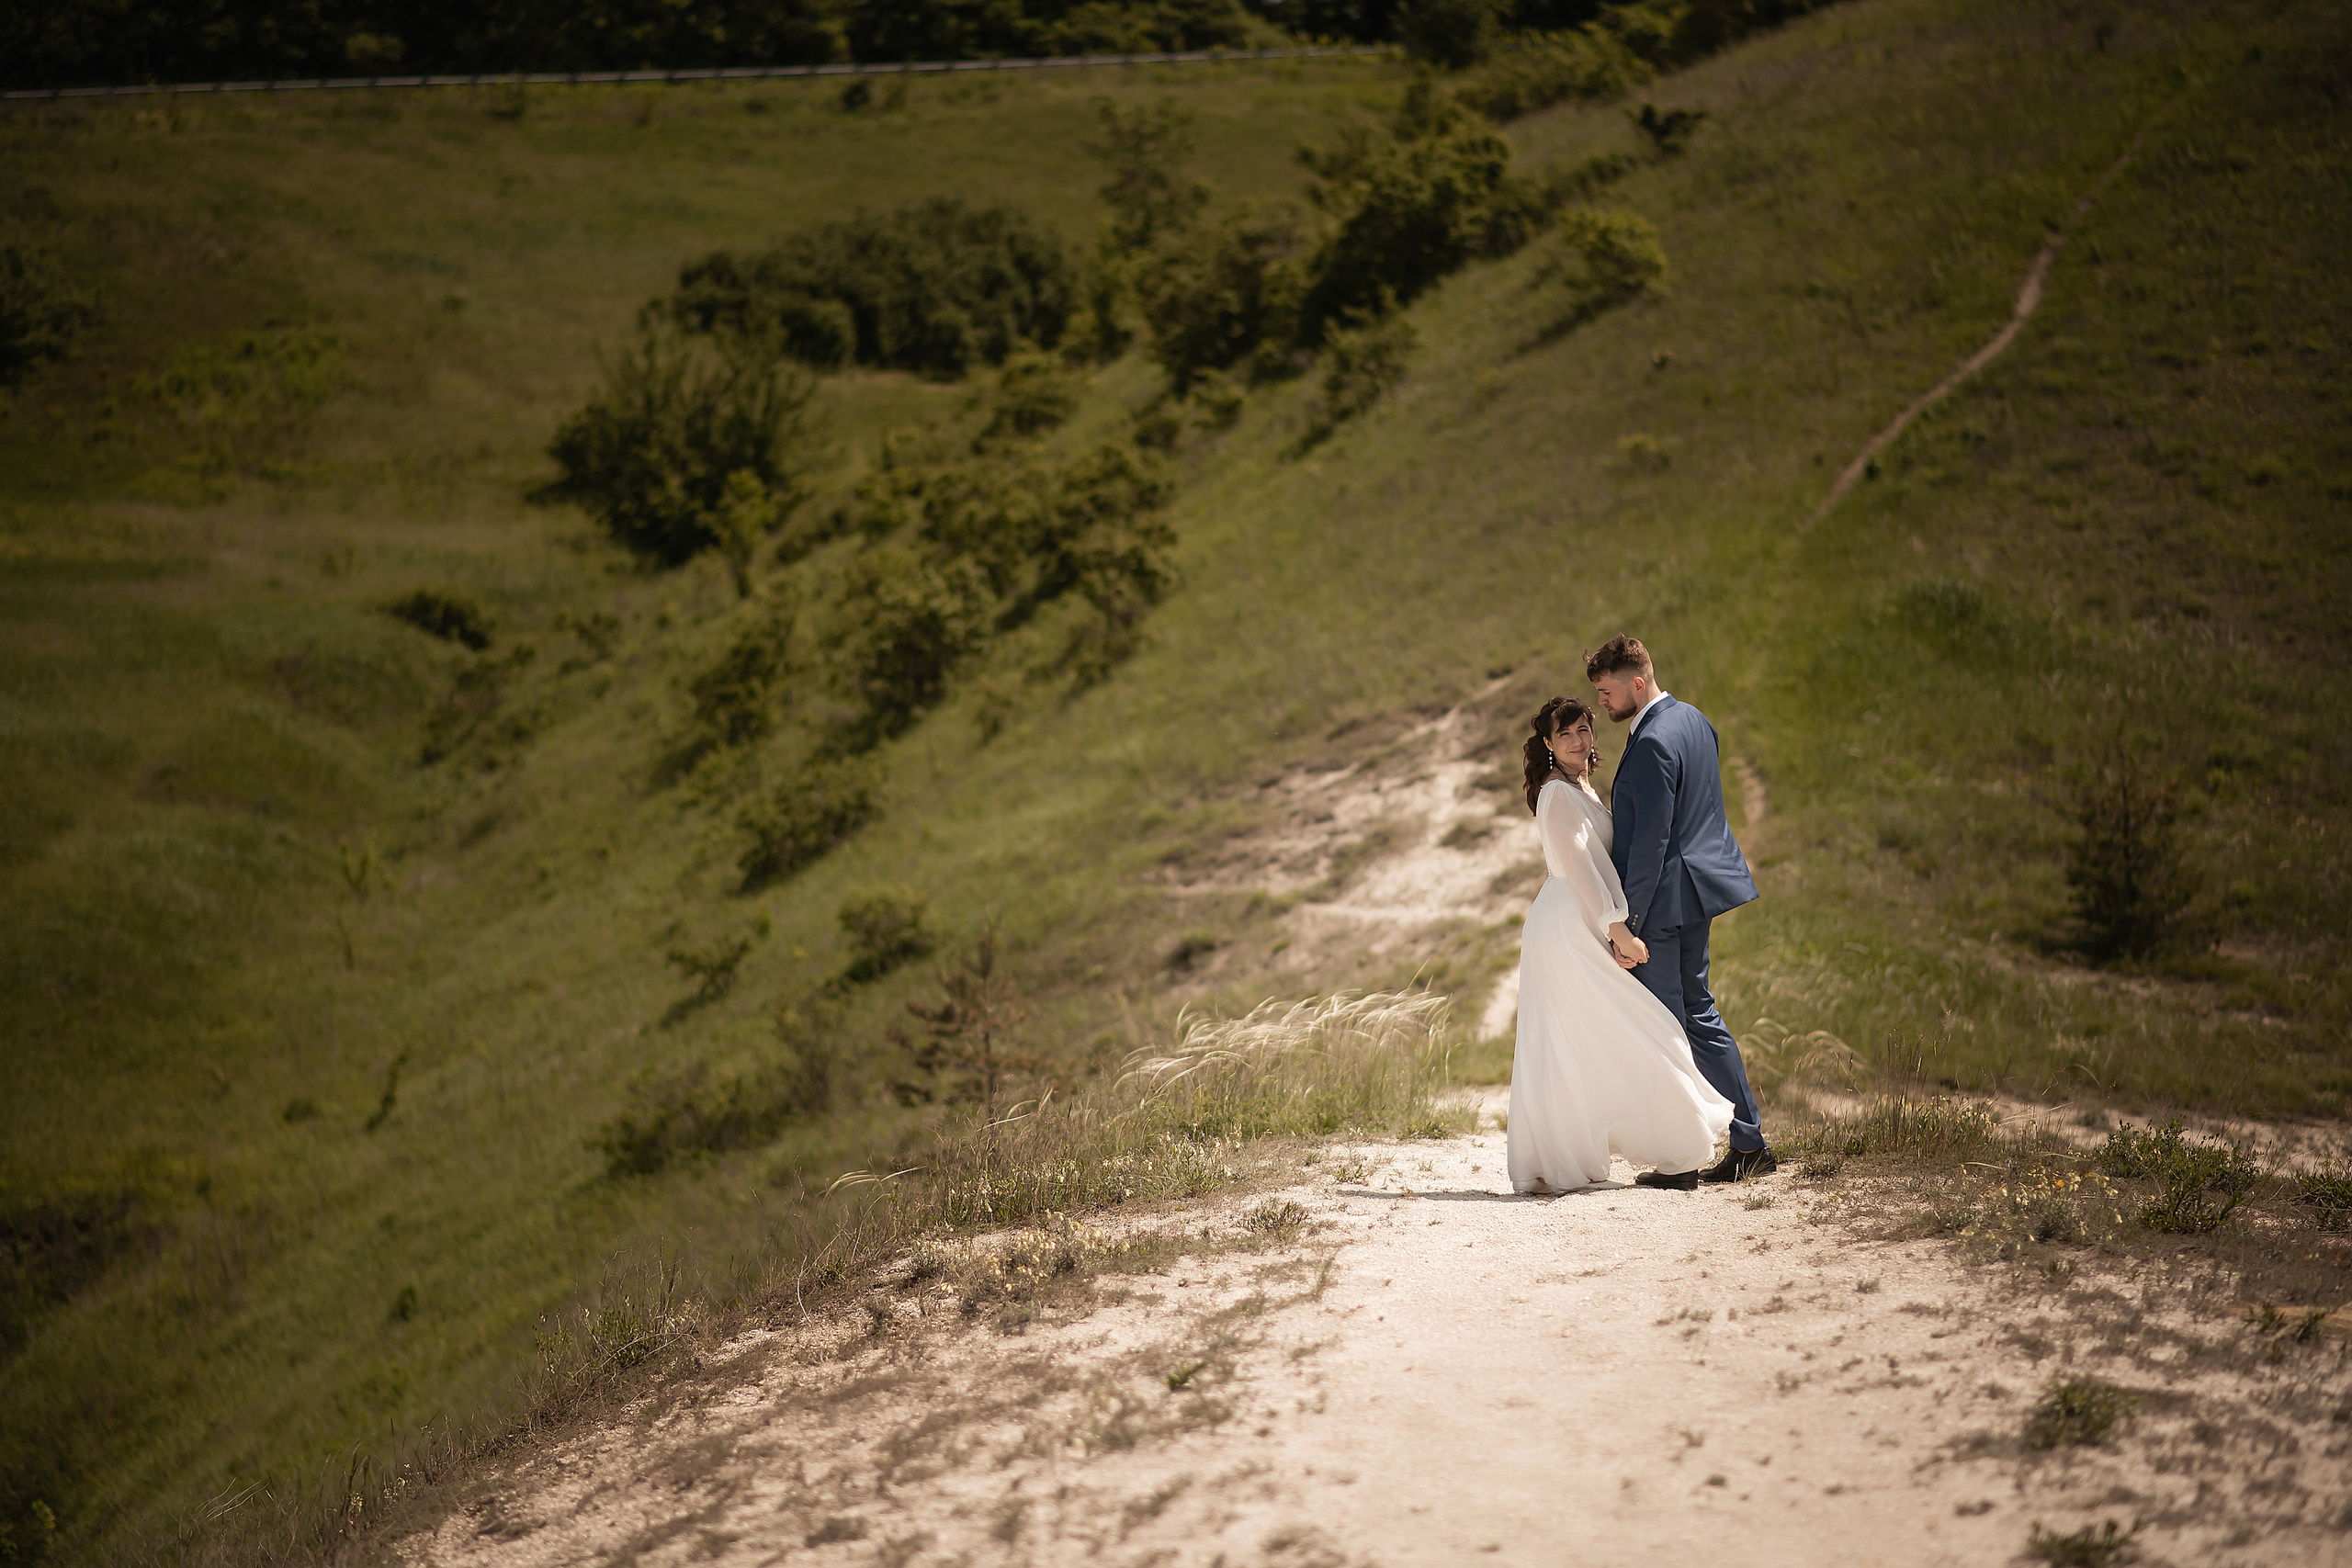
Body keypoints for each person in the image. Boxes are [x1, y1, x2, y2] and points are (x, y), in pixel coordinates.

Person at [1505, 695, 1734, 1194]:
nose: (1578, 740)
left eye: (1584, 730)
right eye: (1565, 734)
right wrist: (1619, 929)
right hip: (1568, 926)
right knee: (1632, 1027)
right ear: (1547, 743)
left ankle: (1674, 1153)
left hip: (1586, 920)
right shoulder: (1556, 794)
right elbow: (1582, 868)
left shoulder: (1581, 787)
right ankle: (1649, 1153)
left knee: (1606, 1035)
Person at [1586, 636, 1775, 1183]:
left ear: (1637, 683)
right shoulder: (1694, 719)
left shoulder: (1650, 743)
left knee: (1665, 1027)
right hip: (1699, 893)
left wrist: (1629, 926)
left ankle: (1683, 1161)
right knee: (1697, 1014)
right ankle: (1749, 1144)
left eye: (1607, 690)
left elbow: (1651, 842)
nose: (1601, 701)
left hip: (1662, 905)